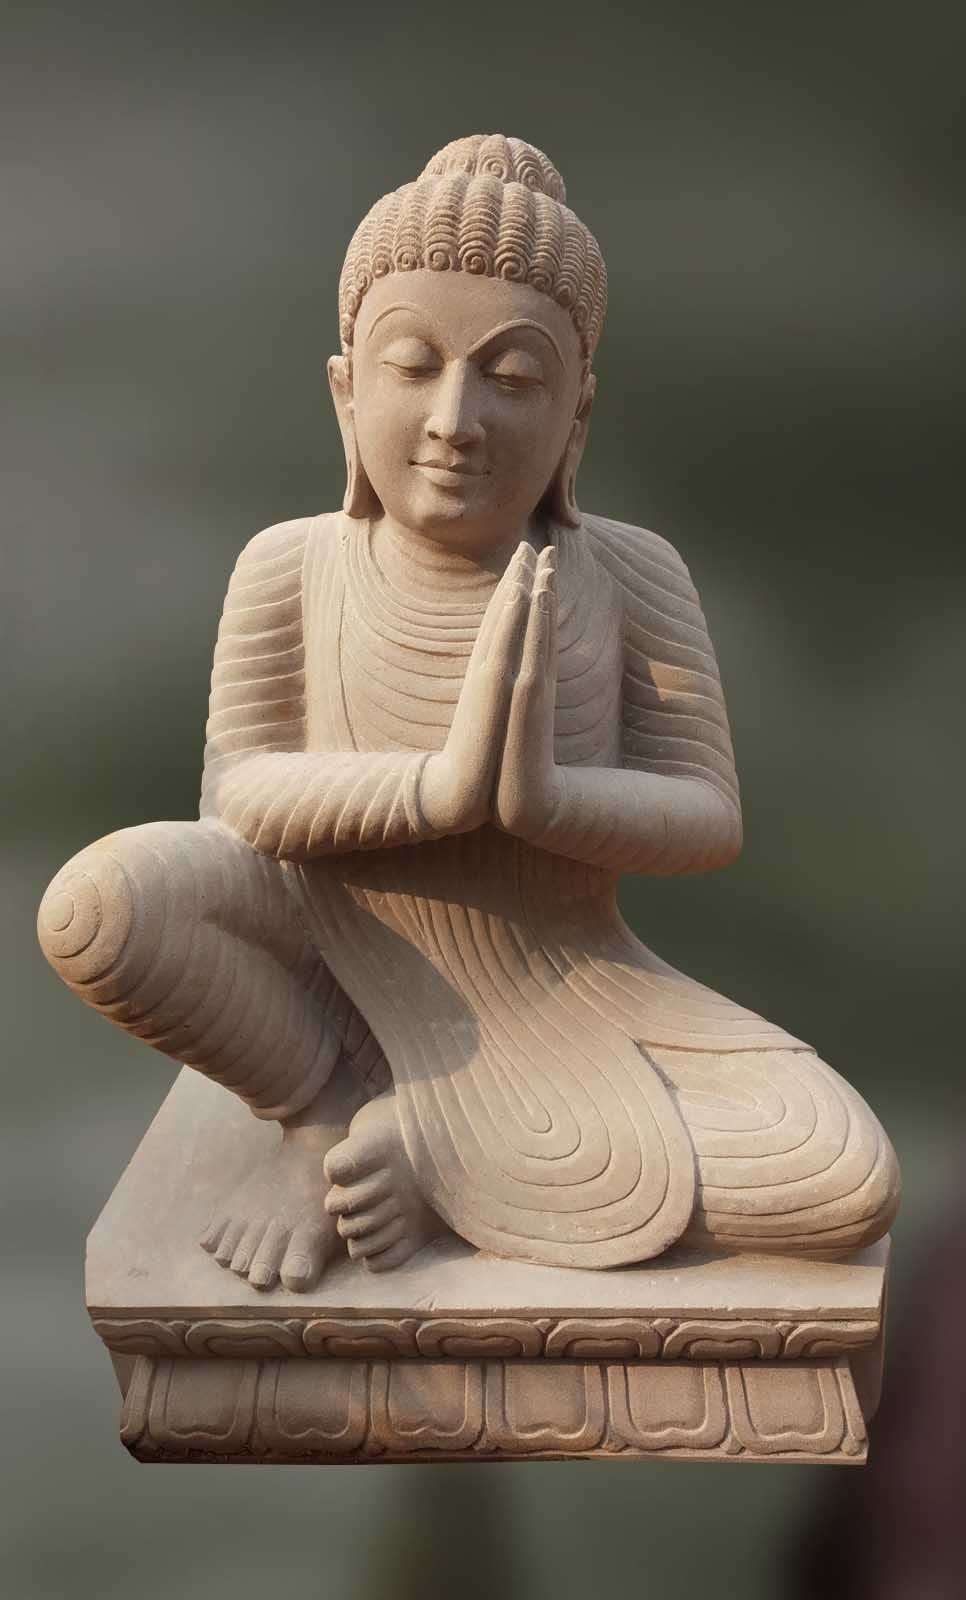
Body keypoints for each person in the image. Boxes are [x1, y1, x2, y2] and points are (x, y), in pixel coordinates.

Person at [38, 135, 899, 1291]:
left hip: (558, 985)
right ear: (346, 390)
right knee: (99, 911)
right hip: (319, 969)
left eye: (512, 376)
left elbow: (707, 815)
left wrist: (541, 798)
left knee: (841, 1176)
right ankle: (327, 1114)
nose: (456, 419)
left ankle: (426, 1147)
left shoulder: (631, 575)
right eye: (412, 364)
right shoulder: (292, 564)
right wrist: (438, 787)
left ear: (576, 418)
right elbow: (238, 796)